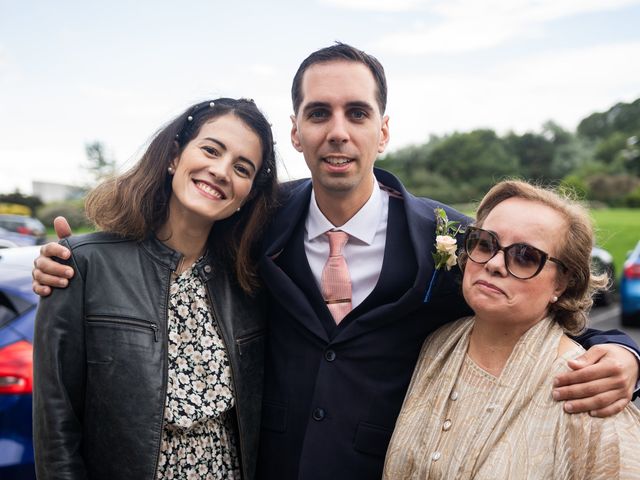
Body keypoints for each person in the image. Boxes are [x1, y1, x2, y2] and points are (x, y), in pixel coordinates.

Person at [32, 44, 640, 480]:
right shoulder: (257, 219)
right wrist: (72, 262)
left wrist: (623, 351)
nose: (338, 131)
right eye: (319, 113)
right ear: (296, 133)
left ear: (384, 130)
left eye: (357, 113)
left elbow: (530, 294)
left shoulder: (450, 235)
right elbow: (170, 238)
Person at [32, 97, 278, 480]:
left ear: (246, 196)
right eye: (211, 150)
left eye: (242, 168)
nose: (221, 171)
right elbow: (56, 425)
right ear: (174, 157)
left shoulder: (250, 282)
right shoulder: (83, 265)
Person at [383, 180, 640, 479]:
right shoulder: (437, 344)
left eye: (525, 256)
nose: (494, 264)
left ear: (562, 282)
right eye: (486, 243)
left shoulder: (588, 389)